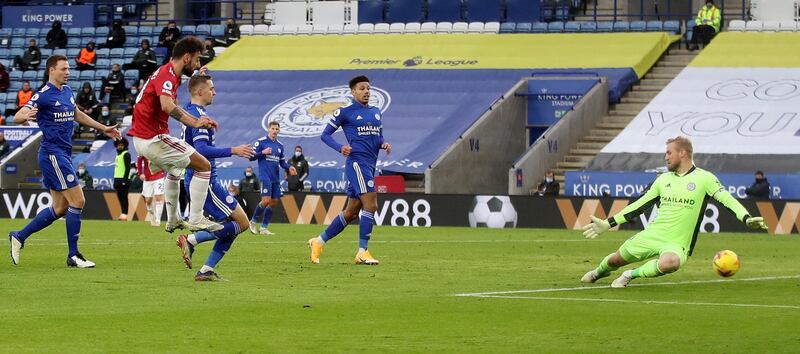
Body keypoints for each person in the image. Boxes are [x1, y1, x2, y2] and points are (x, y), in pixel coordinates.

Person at [581, 136, 768, 288]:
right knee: (615, 260)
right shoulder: (663, 180)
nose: (666, 157)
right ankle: (598, 272)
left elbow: (727, 199)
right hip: (652, 234)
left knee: (670, 263)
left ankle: (629, 275)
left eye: (669, 152)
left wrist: (745, 217)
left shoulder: (705, 178)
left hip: (677, 243)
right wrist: (609, 223)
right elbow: (639, 205)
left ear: (683, 153)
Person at [9, 54, 121, 268]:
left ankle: (19, 236)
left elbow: (77, 114)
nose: (68, 72)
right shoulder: (43, 95)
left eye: (68, 69)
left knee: (60, 208)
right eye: (64, 69)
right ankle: (73, 255)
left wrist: (103, 128)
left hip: (62, 153)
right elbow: (18, 116)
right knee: (78, 201)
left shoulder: (67, 92)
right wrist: (24, 116)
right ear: (52, 70)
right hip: (53, 154)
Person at [127, 36, 221, 233]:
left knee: (174, 171)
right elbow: (167, 106)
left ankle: (173, 219)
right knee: (204, 166)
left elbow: (172, 100)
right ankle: (196, 218)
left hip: (143, 139)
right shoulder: (167, 76)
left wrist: (197, 74)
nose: (198, 64)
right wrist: (196, 122)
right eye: (197, 59)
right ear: (186, 57)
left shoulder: (168, 74)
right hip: (153, 138)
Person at [176, 73, 255, 281]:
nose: (215, 92)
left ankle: (206, 270)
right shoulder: (198, 117)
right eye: (211, 88)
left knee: (235, 225)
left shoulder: (191, 111)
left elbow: (191, 91)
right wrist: (234, 150)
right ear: (201, 92)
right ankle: (192, 240)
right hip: (204, 181)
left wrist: (199, 74)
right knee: (242, 223)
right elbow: (202, 149)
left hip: (202, 178)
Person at [308, 75, 392, 265]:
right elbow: (325, 135)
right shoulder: (345, 112)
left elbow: (377, 137)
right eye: (362, 88)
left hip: (371, 164)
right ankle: (363, 251)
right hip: (357, 163)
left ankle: (318, 242)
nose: (366, 91)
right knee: (371, 205)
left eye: (368, 88)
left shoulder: (376, 111)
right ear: (353, 92)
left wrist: (383, 144)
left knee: (352, 212)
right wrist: (340, 148)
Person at [249, 121, 297, 235]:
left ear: (279, 130)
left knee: (274, 202)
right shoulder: (261, 142)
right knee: (266, 200)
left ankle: (264, 228)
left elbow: (282, 162)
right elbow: (251, 157)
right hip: (265, 176)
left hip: (275, 177)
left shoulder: (280, 145)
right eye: (273, 129)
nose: (275, 131)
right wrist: (262, 152)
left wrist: (289, 167)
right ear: (268, 129)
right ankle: (252, 222)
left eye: (277, 129)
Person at [137, 155, 166, 226]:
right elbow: (139, 161)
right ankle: (152, 215)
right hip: (147, 179)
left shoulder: (159, 148)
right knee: (148, 201)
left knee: (158, 197)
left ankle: (158, 220)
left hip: (159, 176)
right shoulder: (144, 149)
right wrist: (140, 173)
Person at [114, 138, 132, 221]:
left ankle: (125, 214)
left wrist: (124, 180)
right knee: (120, 197)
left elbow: (128, 168)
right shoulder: (118, 155)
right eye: (118, 145)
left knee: (124, 197)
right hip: (117, 179)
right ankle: (122, 213)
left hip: (124, 179)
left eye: (121, 145)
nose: (120, 147)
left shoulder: (126, 154)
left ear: (124, 146)